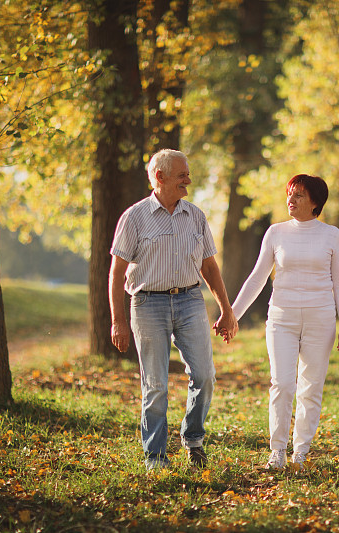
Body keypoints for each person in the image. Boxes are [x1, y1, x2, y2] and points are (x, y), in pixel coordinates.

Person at [109, 149, 238, 471]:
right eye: (182, 175)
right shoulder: (134, 217)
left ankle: (193, 439)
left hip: (190, 300)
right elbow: (115, 273)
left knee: (205, 375)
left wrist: (227, 310)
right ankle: (155, 455)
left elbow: (209, 266)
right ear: (160, 177)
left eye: (188, 174)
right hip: (147, 303)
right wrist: (118, 321)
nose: (189, 180)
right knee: (155, 384)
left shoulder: (195, 215)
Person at [229, 174, 339, 471]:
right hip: (281, 318)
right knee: (282, 384)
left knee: (310, 387)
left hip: (320, 319)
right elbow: (258, 277)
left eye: (298, 195)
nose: (291, 200)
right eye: (290, 194)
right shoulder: (275, 232)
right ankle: (277, 450)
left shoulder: (331, 234)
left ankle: (301, 451)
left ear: (314, 202)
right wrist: (232, 314)